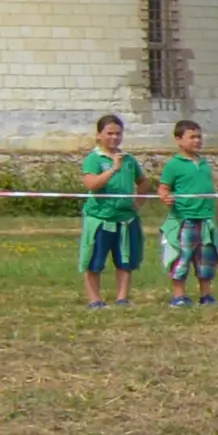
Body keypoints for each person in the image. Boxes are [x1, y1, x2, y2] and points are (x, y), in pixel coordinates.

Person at [77, 113, 145, 306]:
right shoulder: (93, 159)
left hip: (125, 218)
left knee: (125, 260)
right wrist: (113, 169)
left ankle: (122, 298)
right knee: (94, 261)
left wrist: (138, 201)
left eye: (118, 133)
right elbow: (91, 184)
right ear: (99, 135)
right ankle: (95, 300)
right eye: (110, 133)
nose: (114, 137)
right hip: (100, 218)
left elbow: (143, 181)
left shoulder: (129, 160)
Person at [157, 118, 218, 306]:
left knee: (206, 260)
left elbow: (210, 192)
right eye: (192, 137)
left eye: (199, 137)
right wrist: (165, 197)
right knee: (182, 258)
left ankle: (206, 294)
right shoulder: (173, 165)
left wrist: (217, 215)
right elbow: (163, 188)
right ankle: (179, 296)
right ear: (178, 139)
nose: (197, 141)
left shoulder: (204, 164)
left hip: (206, 219)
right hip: (185, 219)